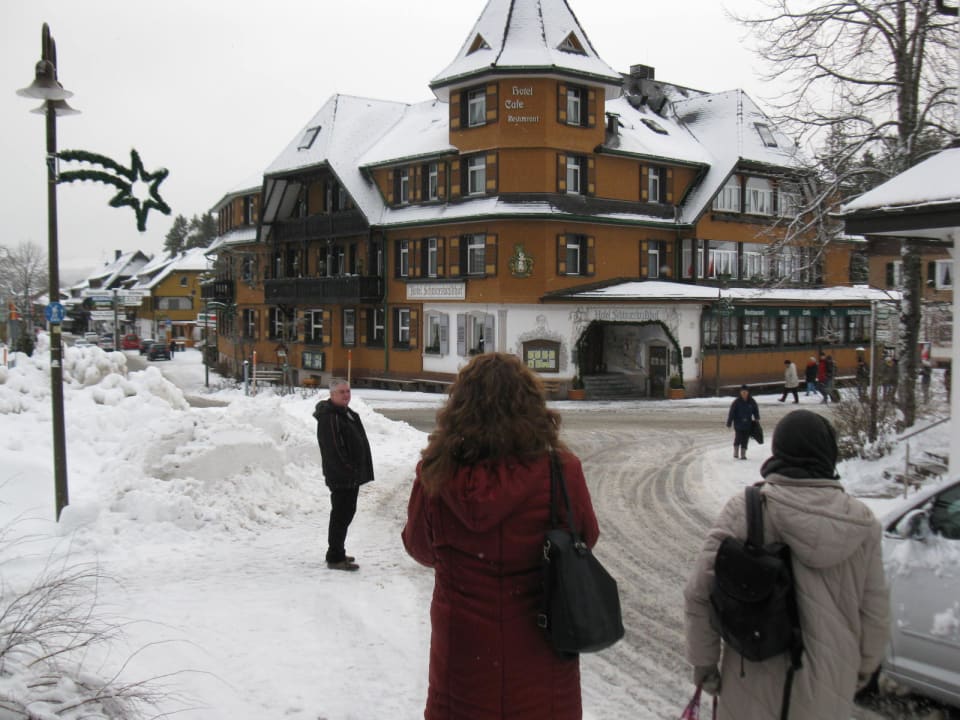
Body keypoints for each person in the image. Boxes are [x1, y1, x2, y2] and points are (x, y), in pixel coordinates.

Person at [402, 353, 599, 720]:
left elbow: (420, 548)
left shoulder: (435, 474)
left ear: (460, 407)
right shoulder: (560, 471)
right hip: (541, 641)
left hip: (463, 650)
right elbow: (585, 537)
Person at [683, 409, 890, 720]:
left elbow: (698, 593)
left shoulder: (746, 511)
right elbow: (875, 613)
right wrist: (857, 671)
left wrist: (706, 665)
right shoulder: (862, 526)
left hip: (749, 686)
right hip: (828, 694)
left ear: (779, 451)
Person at [313, 378, 374, 571]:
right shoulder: (330, 417)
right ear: (332, 395)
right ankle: (335, 556)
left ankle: (337, 551)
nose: (346, 395)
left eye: (348, 391)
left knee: (346, 513)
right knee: (341, 515)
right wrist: (350, 470)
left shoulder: (345, 414)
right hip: (341, 477)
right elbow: (334, 450)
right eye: (342, 392)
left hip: (350, 476)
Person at [726, 384, 759, 460]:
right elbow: (732, 413)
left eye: (745, 392)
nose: (744, 393)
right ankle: (736, 451)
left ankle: (743, 454)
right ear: (740, 393)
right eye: (742, 392)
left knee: (745, 439)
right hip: (738, 423)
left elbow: (755, 410)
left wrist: (757, 418)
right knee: (738, 437)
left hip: (748, 423)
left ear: (748, 392)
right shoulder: (737, 402)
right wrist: (729, 422)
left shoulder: (752, 401)